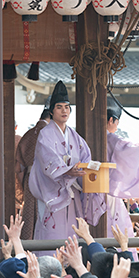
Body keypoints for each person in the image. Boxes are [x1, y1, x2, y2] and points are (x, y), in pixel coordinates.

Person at [29, 81, 105, 249]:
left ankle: (72, 269)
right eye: (59, 107)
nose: (64, 110)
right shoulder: (45, 135)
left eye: (67, 107)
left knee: (72, 236)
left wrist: (92, 168)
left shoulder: (75, 136)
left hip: (73, 195)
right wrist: (68, 170)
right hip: (54, 194)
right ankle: (49, 268)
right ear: (51, 111)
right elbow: (48, 160)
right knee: (52, 235)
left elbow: (86, 158)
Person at [106, 98, 139, 238]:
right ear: (111, 120)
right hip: (107, 193)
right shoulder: (112, 138)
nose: (117, 126)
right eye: (117, 122)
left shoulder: (84, 138)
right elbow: (134, 151)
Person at [15, 108, 51, 240]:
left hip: (30, 177)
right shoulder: (51, 133)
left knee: (30, 212)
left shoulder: (28, 134)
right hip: (47, 178)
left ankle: (28, 241)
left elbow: (18, 165)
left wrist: (24, 180)